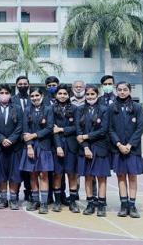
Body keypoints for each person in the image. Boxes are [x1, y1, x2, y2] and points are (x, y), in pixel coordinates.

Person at [109, 81, 143, 218]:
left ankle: (132, 205)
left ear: (129, 91)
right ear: (116, 91)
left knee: (132, 177)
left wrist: (129, 145)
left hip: (133, 149)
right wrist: (119, 144)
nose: (122, 92)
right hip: (118, 149)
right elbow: (110, 129)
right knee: (121, 177)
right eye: (119, 90)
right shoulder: (112, 108)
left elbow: (140, 128)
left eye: (125, 89)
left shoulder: (137, 107)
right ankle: (124, 205)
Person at [75, 84, 111, 217]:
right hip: (85, 148)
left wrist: (87, 136)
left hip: (100, 147)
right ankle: (90, 203)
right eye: (88, 94)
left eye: (92, 94)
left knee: (101, 177)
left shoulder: (104, 109)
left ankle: (101, 204)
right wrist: (85, 146)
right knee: (88, 177)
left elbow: (104, 130)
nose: (90, 97)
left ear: (97, 95)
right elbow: (78, 130)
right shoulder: (79, 110)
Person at [0, 85, 24, 210]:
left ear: (10, 94)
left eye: (6, 92)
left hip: (14, 147)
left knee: (14, 174)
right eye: (1, 92)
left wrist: (11, 140)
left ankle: (13, 199)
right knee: (1, 174)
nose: (4, 95)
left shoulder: (18, 108)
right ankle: (3, 199)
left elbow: (20, 126)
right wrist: (2, 139)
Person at [20, 88, 54, 214]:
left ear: (42, 95)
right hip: (31, 147)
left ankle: (44, 203)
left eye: (37, 95)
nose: (34, 98)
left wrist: (34, 135)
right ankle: (35, 201)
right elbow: (25, 129)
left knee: (44, 174)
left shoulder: (49, 109)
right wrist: (29, 146)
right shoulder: (27, 110)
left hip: (44, 146)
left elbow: (49, 127)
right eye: (32, 96)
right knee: (32, 174)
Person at [51, 84, 80, 213]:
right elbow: (52, 129)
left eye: (65, 94)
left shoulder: (75, 109)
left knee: (72, 175)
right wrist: (58, 146)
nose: (62, 96)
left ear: (69, 95)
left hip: (72, 146)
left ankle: (73, 202)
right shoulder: (51, 109)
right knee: (57, 174)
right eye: (60, 93)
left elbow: (77, 128)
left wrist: (62, 129)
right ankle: (57, 201)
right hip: (57, 146)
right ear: (56, 95)